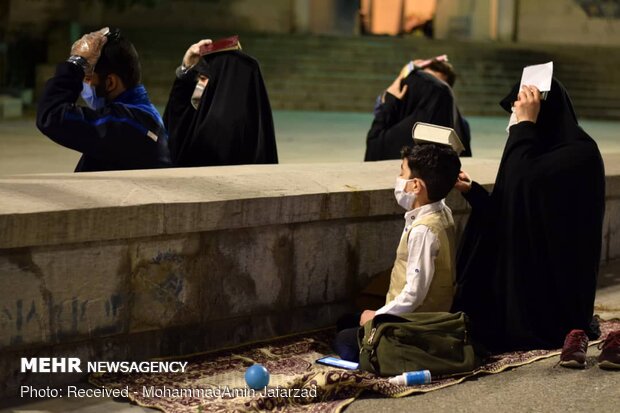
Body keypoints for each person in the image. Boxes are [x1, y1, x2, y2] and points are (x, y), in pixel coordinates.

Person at [452, 79, 605, 353]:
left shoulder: (579, 153)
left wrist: (524, 128)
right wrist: (472, 191)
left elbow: (524, 182)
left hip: (553, 299)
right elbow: (511, 210)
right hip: (524, 281)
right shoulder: (532, 148)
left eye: (521, 110)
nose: (515, 118)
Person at [335, 144, 461, 361]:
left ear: (415, 186)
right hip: (432, 312)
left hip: (416, 323)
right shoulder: (442, 210)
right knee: (347, 320)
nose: (398, 178)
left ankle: (396, 350)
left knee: (344, 340)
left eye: (402, 172)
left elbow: (414, 294)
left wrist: (377, 317)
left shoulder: (423, 230)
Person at [36, 28, 172, 172]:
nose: (84, 85)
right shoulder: (138, 116)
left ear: (110, 83)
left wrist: (76, 63)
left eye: (87, 78)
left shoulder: (130, 123)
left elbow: (52, 115)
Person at [163, 39, 278, 167]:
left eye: (204, 78)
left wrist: (186, 68)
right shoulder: (259, 131)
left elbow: (176, 118)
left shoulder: (201, 126)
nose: (202, 82)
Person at [364, 58, 472, 161]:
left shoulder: (460, 127)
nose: (426, 88)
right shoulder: (401, 113)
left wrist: (388, 103)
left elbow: (374, 148)